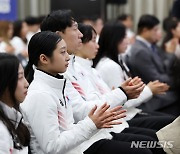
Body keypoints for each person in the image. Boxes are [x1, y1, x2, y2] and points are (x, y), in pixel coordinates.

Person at [21, 31, 154, 154]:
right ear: (44, 59)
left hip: (82, 145)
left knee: (147, 146)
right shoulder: (40, 95)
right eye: (62, 52)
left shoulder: (57, 83)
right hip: (82, 145)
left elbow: (69, 127)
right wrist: (91, 124)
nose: (68, 57)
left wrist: (120, 94)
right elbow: (52, 146)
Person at [125, 15, 179, 115]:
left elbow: (163, 67)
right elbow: (156, 79)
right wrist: (176, 80)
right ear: (145, 30)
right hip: (154, 98)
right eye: (155, 30)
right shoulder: (140, 51)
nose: (158, 33)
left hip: (160, 91)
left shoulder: (150, 45)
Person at [0, 53, 30, 153]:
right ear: (5, 83)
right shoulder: (1, 132)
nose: (26, 84)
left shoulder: (15, 114)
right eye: (20, 77)